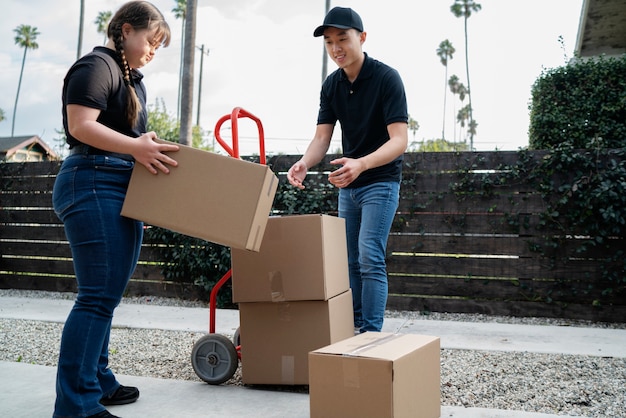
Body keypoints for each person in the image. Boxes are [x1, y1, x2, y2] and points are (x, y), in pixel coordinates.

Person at [52, 2, 179, 417]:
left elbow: (123, 136)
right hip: (91, 180)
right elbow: (81, 125)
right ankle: (78, 405)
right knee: (95, 297)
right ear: (125, 31)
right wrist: (135, 147)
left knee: (105, 295)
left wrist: (142, 143)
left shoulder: (130, 80)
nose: (153, 51)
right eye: (151, 41)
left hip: (116, 184)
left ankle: (97, 379)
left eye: (159, 47)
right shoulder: (97, 65)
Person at [287, 7, 408, 334]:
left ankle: (371, 334)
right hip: (348, 185)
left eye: (342, 39)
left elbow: (399, 141)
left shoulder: (386, 78)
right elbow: (322, 137)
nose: (336, 48)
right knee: (350, 262)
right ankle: (353, 331)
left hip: (379, 182)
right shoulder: (332, 85)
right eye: (329, 42)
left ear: (362, 38)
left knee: (370, 257)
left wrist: (362, 163)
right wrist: (304, 162)